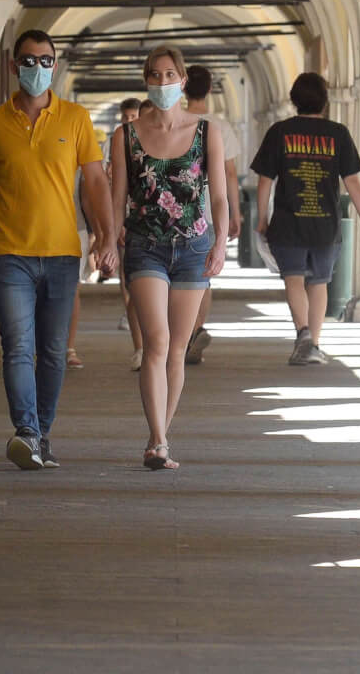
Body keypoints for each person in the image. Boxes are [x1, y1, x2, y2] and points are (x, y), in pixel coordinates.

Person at [0, 31, 115, 470]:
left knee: (53, 351)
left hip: (61, 253)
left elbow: (95, 182)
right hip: (8, 251)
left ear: (54, 65)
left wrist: (106, 235)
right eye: (28, 60)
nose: (36, 68)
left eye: (45, 60)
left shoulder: (75, 118)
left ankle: (42, 433)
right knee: (17, 346)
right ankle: (27, 432)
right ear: (12, 66)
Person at [97, 46, 227, 470]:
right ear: (146, 80)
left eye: (170, 74)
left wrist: (221, 242)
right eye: (155, 74)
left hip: (193, 247)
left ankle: (159, 439)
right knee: (157, 342)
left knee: (177, 349)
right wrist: (108, 240)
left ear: (183, 81)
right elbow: (117, 196)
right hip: (145, 246)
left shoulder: (206, 132)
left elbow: (219, 195)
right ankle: (158, 438)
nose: (163, 81)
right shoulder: (126, 136)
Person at [250, 72, 360, 365]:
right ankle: (314, 344)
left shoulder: (280, 132)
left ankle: (304, 334)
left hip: (288, 222)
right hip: (325, 223)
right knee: (319, 282)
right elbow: (352, 181)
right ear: (325, 100)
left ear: (294, 100)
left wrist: (262, 218)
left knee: (293, 278)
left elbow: (265, 180)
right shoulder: (338, 134)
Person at [180, 65, 243, 366]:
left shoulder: (177, 122)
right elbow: (229, 174)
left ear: (182, 87)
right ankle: (195, 329)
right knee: (203, 277)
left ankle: (183, 333)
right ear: (209, 90)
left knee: (176, 275)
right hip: (210, 212)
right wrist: (235, 214)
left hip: (179, 210)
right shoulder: (220, 126)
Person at [109, 97, 145, 370]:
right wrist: (113, 225)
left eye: (134, 116)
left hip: (163, 229)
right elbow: (112, 185)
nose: (130, 121)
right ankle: (141, 346)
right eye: (126, 117)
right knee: (131, 282)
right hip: (130, 223)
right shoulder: (119, 141)